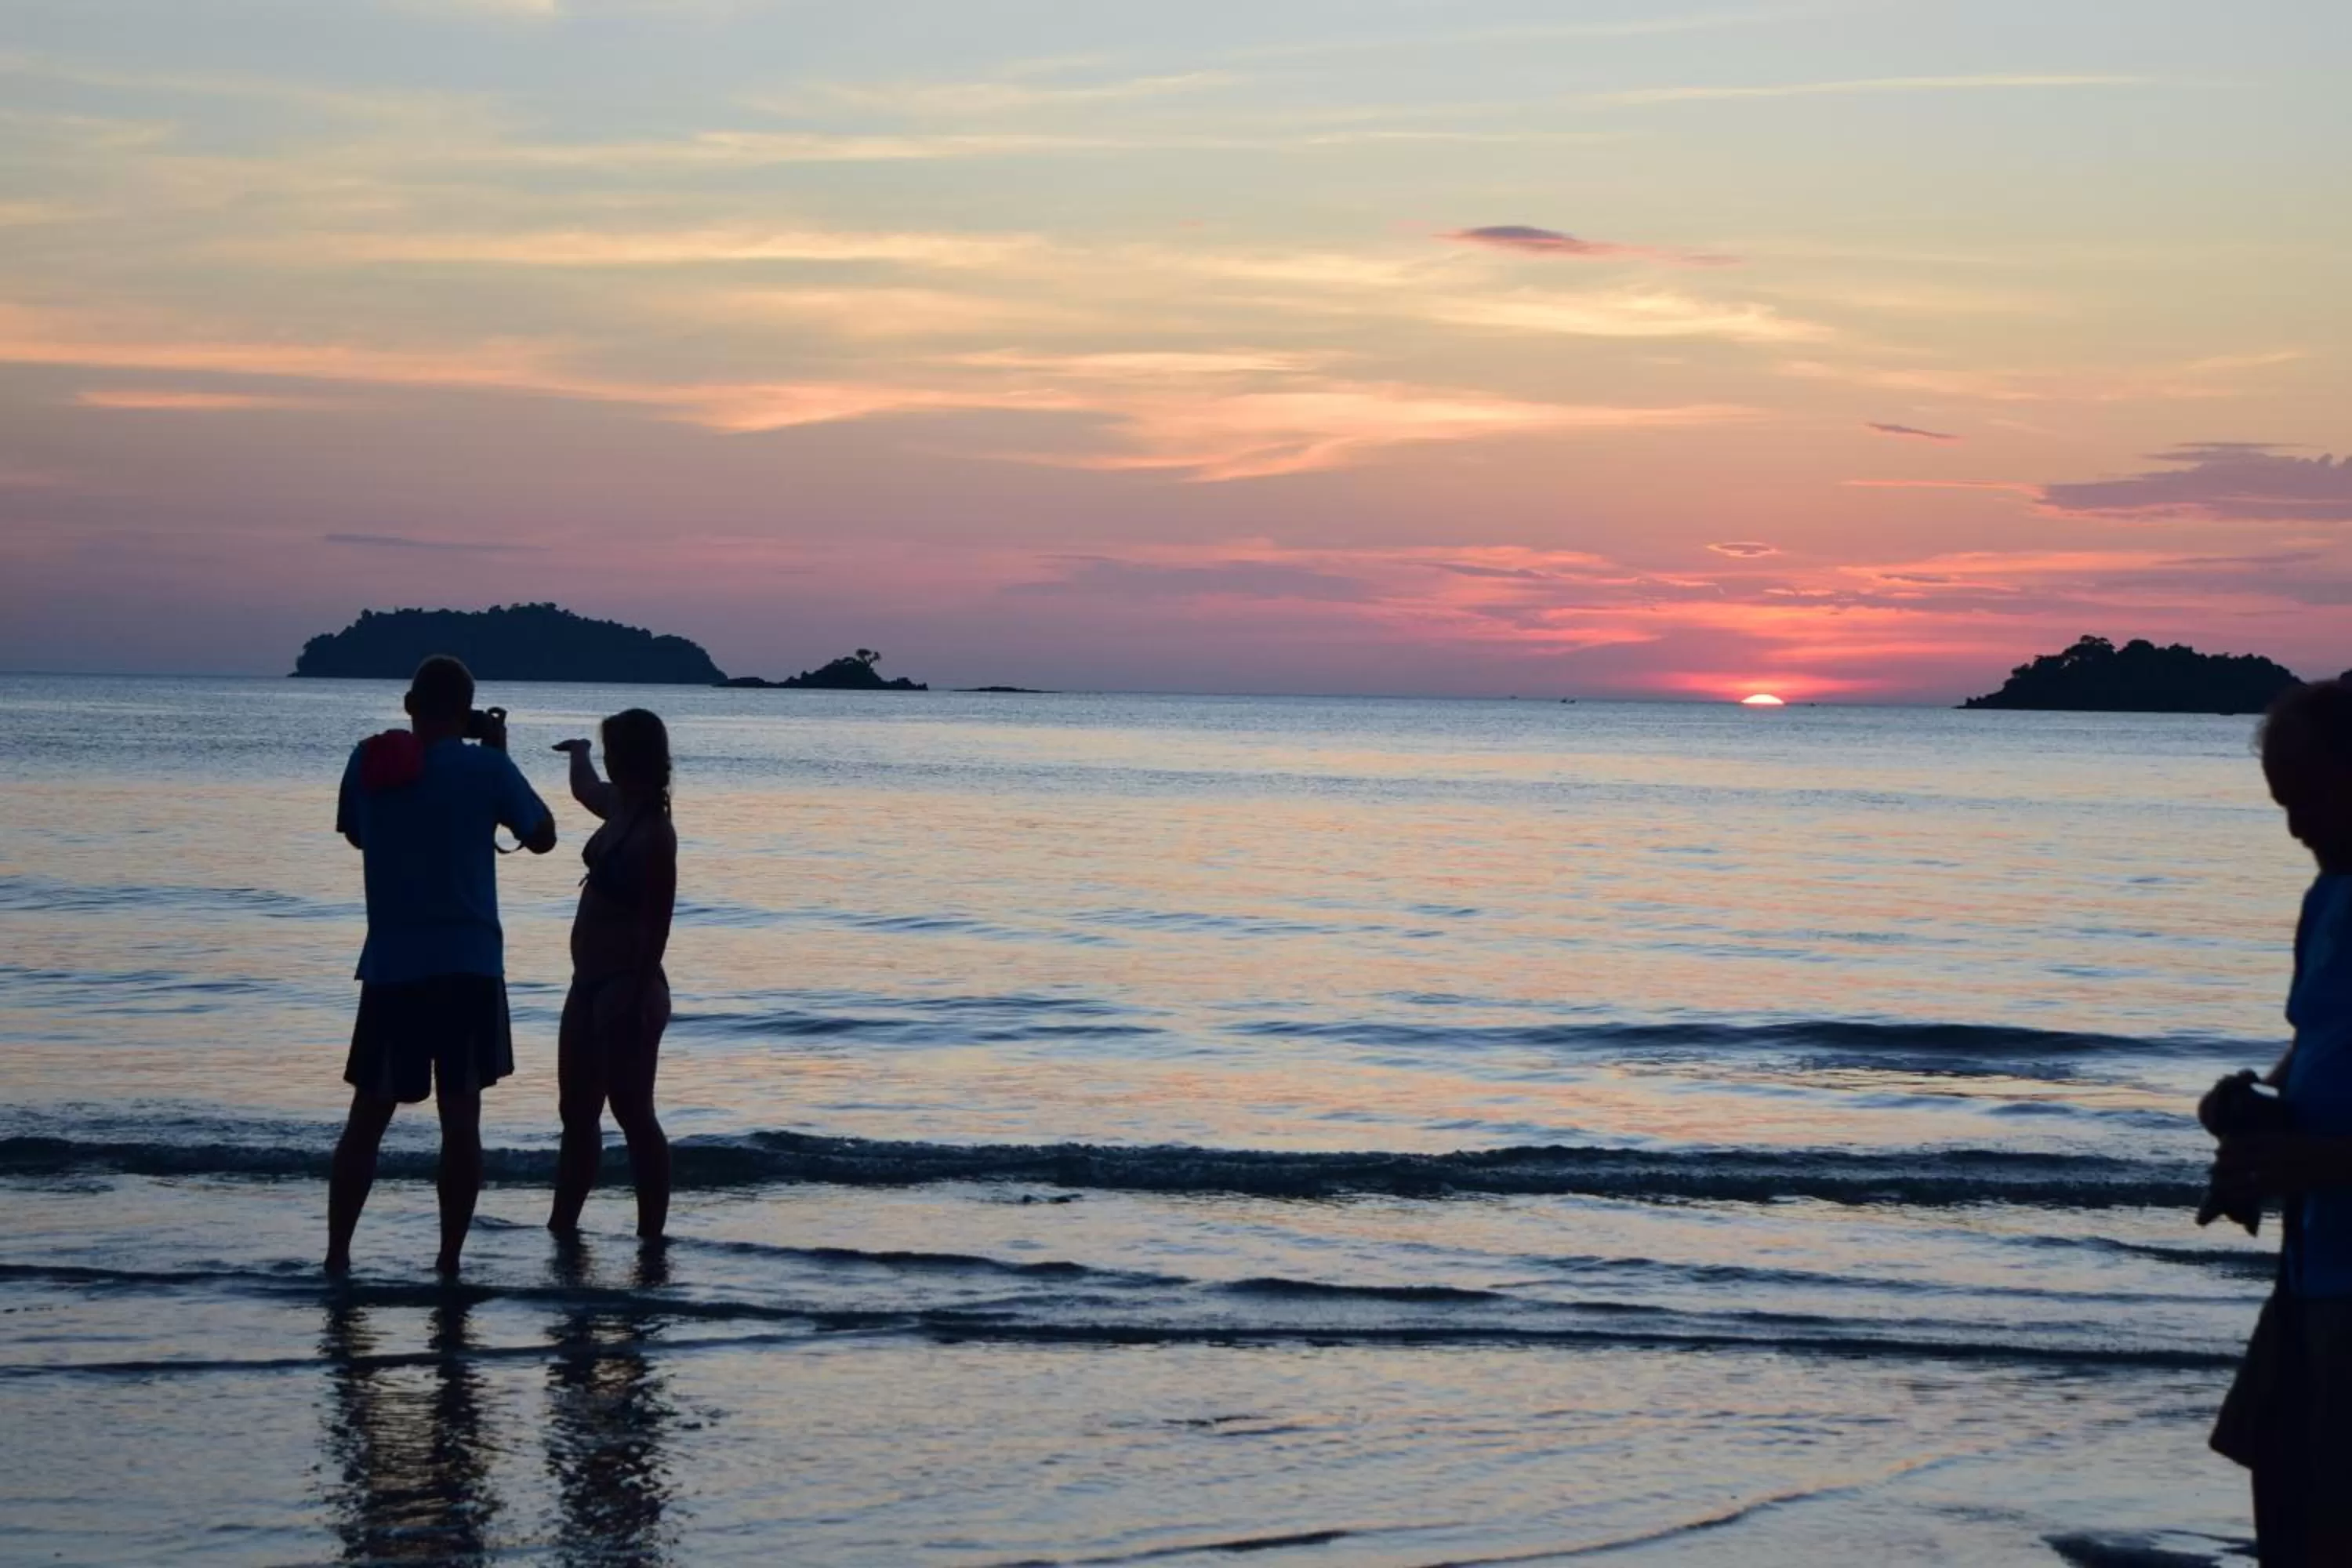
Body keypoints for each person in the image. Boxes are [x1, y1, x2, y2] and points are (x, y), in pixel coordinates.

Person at [327, 656, 557, 1276]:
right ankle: (448, 1262)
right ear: (468, 711)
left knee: (366, 1123)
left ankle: (338, 1256)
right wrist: (500, 753)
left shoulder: (367, 762)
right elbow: (543, 836)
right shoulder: (487, 767)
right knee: (461, 1124)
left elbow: (355, 833)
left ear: (409, 706)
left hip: (392, 967)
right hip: (469, 968)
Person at [2209, 677, 2352, 1562]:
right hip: (2314, 1265)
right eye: (2282, 803)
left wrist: (2323, 1163)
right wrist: (2251, 1104)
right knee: (2282, 1482)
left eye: (2308, 798)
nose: (2295, 827)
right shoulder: (2329, 898)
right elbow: (2316, 1039)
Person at [547, 710, 678, 1242]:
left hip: (629, 986)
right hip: (587, 985)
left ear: (632, 757)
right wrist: (576, 751)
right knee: (576, 1114)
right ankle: (562, 1227)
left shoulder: (655, 835)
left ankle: (651, 1236)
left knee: (632, 1113)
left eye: (607, 750)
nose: (604, 760)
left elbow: (658, 924)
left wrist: (637, 995)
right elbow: (585, 790)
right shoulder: (619, 807)